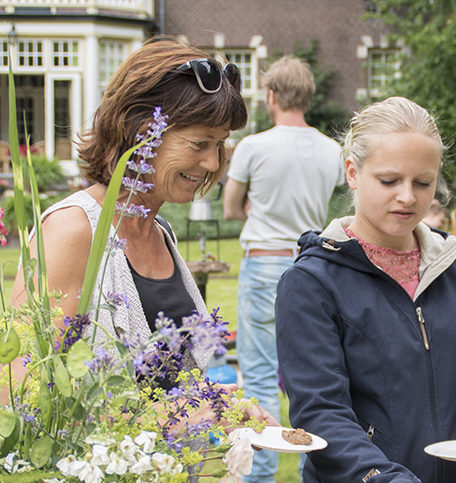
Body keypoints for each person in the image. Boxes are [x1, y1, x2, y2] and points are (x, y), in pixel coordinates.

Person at [10, 37, 275, 431]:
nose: (212, 162)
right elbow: (23, 395)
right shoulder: (71, 230)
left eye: (220, 145)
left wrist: (215, 404)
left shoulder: (160, 231)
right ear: (140, 131)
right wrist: (169, 417)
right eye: (200, 143)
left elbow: (165, 386)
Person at [275, 96, 456, 483]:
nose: (407, 197)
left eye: (423, 183)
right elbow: (319, 410)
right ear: (352, 172)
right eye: (389, 180)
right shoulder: (311, 282)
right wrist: (379, 479)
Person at [223, 55, 345, 483]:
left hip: (262, 259)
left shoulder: (254, 147)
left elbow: (230, 207)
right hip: (312, 265)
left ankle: (259, 475)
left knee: (257, 367)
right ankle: (310, 467)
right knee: (311, 372)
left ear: (271, 95)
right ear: (308, 97)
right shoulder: (334, 151)